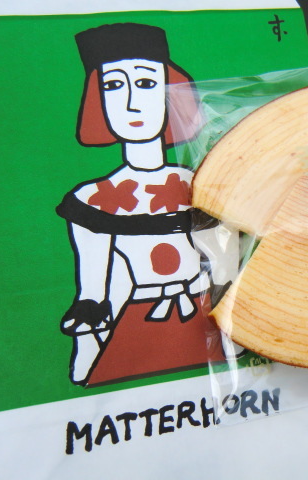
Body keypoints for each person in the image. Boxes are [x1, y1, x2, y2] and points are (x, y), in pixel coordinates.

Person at [56, 23, 239, 386]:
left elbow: (226, 272)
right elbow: (93, 291)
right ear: (97, 100)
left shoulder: (203, 183)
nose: (130, 103)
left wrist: (237, 336)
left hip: (209, 323)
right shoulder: (91, 200)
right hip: (133, 327)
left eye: (145, 83)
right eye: (113, 86)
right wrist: (88, 349)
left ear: (172, 91)